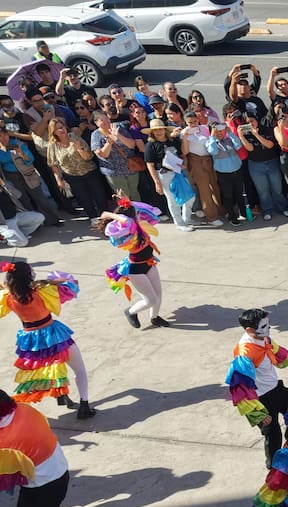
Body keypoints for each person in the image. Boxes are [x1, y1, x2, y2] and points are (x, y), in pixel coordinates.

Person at [0, 262, 92, 419]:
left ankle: (62, 396)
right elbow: (72, 285)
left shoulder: (8, 297)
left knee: (49, 368)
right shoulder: (43, 291)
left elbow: (5, 289)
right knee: (79, 369)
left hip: (31, 340)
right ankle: (84, 405)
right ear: (28, 276)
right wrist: (50, 281)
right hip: (53, 334)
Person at [225, 307, 288, 464]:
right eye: (264, 326)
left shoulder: (263, 337)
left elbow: (275, 349)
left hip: (276, 388)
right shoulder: (244, 353)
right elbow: (240, 389)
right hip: (262, 399)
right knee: (273, 435)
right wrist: (257, 414)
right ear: (250, 330)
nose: (269, 328)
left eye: (268, 324)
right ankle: (274, 467)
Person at [96, 198, 169, 331]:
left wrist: (127, 200)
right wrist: (108, 214)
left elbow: (139, 209)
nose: (139, 214)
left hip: (149, 263)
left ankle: (155, 318)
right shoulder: (128, 230)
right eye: (136, 213)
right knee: (150, 300)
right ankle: (130, 312)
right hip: (135, 270)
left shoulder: (138, 224)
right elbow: (127, 221)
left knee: (158, 295)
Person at [43, 118, 110, 219]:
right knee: (84, 199)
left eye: (62, 127)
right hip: (72, 176)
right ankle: (93, 218)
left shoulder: (75, 138)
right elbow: (53, 164)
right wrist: (58, 180)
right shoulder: (52, 146)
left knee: (99, 197)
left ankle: (106, 218)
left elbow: (88, 157)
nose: (62, 130)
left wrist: (79, 149)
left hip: (89, 172)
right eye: (58, 129)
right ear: (53, 132)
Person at [206, 122, 246, 225]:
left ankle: (244, 213)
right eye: (217, 131)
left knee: (239, 193)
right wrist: (212, 137)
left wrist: (230, 133)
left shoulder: (229, 140)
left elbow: (238, 146)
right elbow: (213, 151)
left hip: (236, 170)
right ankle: (232, 217)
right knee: (228, 196)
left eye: (221, 130)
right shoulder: (210, 142)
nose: (219, 133)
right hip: (223, 173)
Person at [0, 178, 44, 247]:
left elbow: (18, 195)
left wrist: (4, 185)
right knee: (23, 242)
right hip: (4, 223)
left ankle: (17, 234)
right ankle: (5, 238)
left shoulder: (5, 184)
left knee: (40, 217)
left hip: (16, 216)